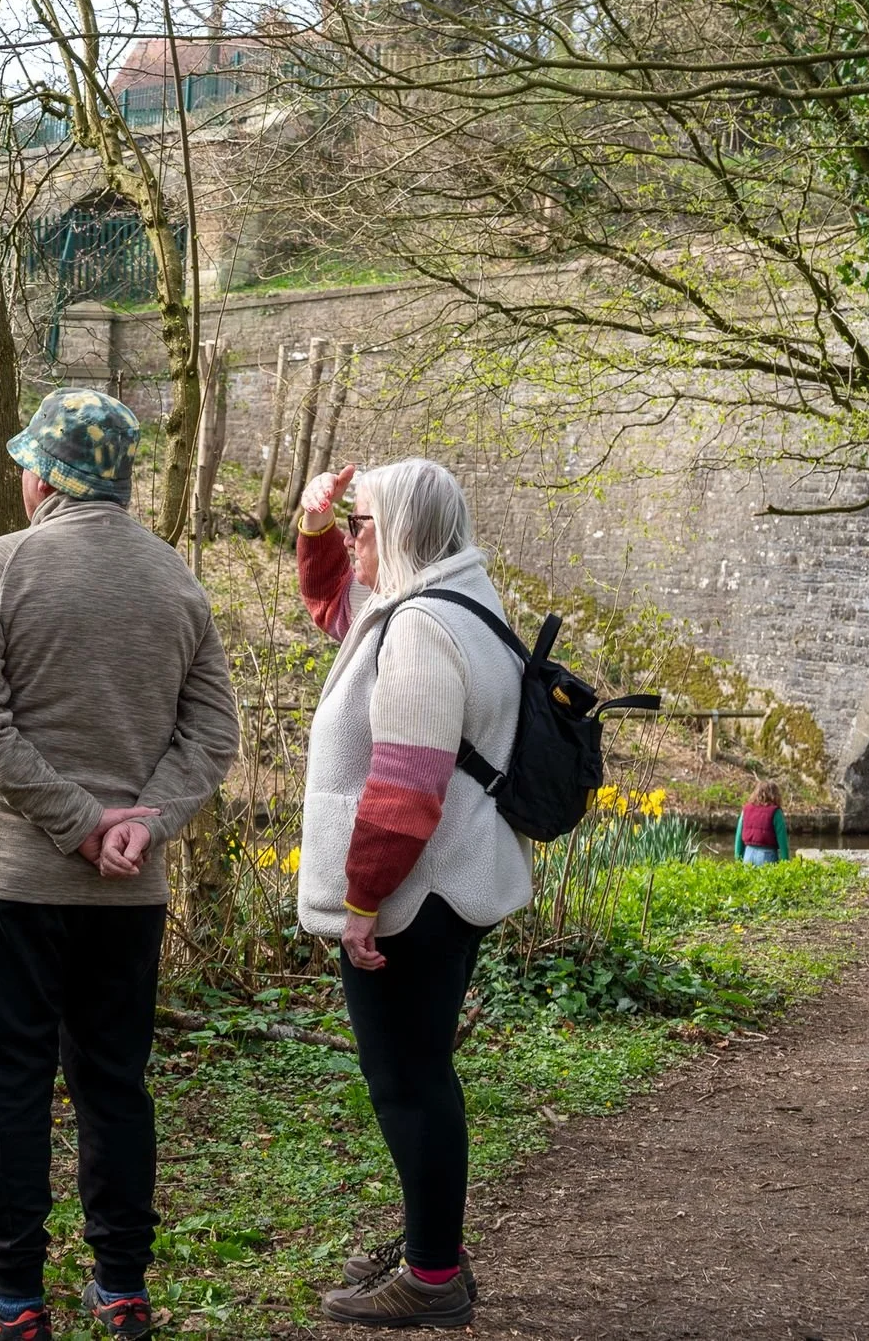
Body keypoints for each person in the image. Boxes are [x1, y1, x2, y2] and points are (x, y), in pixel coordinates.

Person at [0, 388, 240, 1341]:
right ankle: (122, 1287)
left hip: (8, 880)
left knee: (11, 1087)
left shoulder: (0, 566)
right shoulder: (175, 581)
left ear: (47, 477)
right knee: (116, 1082)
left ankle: (15, 1303)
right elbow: (214, 732)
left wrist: (73, 822)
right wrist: (139, 828)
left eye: (29, 461)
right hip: (127, 891)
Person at [293, 459, 529, 1330]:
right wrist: (316, 526)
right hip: (443, 885)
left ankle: (432, 1277)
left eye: (359, 523)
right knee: (418, 1073)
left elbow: (406, 789)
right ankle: (436, 1244)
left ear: (399, 534)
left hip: (415, 896)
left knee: (408, 1080)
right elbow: (331, 604)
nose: (349, 536)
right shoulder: (451, 602)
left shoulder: (422, 629)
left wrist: (363, 902)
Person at [734, 781, 792, 865]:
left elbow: (739, 837)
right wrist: (785, 864)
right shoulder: (775, 812)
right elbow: (783, 843)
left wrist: (738, 859)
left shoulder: (746, 810)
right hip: (767, 856)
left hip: (748, 854)